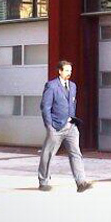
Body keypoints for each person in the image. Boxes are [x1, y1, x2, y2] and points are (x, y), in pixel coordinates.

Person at [38, 60, 93, 193]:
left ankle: (81, 182)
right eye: (67, 70)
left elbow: (72, 104)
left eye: (70, 70)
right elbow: (45, 107)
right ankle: (43, 182)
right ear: (60, 71)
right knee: (48, 154)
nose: (69, 73)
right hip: (56, 127)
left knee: (76, 154)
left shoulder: (73, 86)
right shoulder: (51, 86)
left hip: (71, 126)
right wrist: (49, 126)